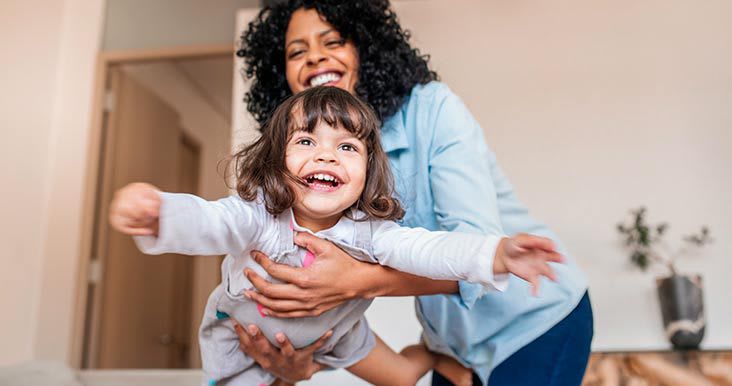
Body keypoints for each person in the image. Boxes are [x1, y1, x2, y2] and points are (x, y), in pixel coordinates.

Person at [231, 1, 594, 385]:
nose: (315, 57)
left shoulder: (433, 109)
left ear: (366, 48)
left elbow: (475, 250)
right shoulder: (302, 164)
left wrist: (360, 280)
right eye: (296, 51)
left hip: (535, 319)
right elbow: (319, 288)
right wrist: (304, 363)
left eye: (333, 41)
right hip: (451, 345)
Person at [109, 86, 564, 386]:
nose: (326, 156)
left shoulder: (372, 232)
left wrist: (498, 253)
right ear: (275, 163)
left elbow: (430, 249)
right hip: (245, 337)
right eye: (306, 142)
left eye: (346, 147)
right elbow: (209, 221)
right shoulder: (258, 215)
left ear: (367, 173)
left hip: (336, 333)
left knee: (404, 378)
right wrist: (159, 214)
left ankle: (432, 357)